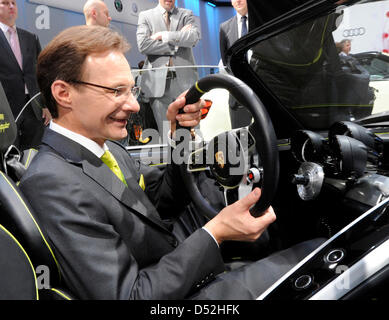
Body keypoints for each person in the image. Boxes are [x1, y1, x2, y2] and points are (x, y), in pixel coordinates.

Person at [19, 25, 324, 300]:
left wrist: (181, 133)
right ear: (63, 93)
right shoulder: (51, 181)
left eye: (131, 89)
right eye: (116, 91)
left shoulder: (106, 147)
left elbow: (160, 202)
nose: (135, 105)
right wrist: (215, 233)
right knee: (321, 258)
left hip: (169, 261)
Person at [136, 0, 200, 142]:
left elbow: (194, 37)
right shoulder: (146, 16)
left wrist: (164, 35)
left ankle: (192, 163)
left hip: (185, 82)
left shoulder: (186, 14)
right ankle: (172, 165)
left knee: (191, 132)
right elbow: (143, 45)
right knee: (166, 135)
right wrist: (177, 44)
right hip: (158, 85)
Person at [0, 0, 51, 151]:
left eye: (13, 3)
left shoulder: (30, 37)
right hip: (6, 110)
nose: (11, 7)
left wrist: (46, 105)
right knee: (9, 153)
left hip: (33, 108)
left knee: (34, 152)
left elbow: (42, 74)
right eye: (5, 3)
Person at [219, 0, 252, 128]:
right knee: (241, 141)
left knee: (268, 140)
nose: (238, 1)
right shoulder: (224, 27)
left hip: (264, 92)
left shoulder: (260, 22)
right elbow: (226, 60)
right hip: (238, 94)